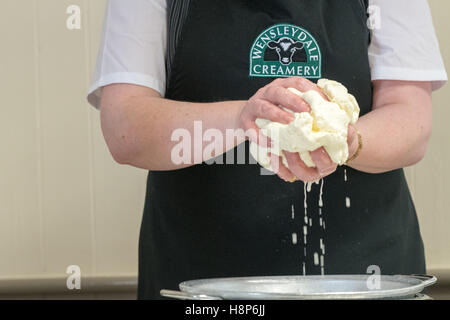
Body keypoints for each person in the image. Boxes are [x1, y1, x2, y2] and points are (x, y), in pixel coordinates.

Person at [87, 0, 447, 299]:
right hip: (203, 281)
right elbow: (126, 128)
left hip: (364, 275)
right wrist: (248, 118)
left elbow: (411, 121)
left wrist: (345, 141)